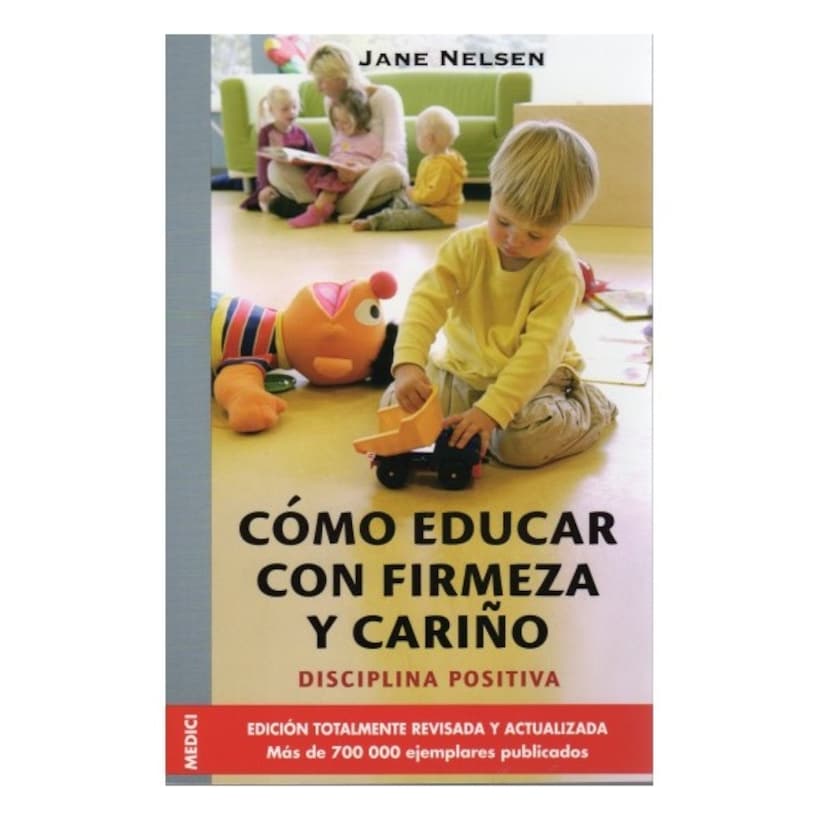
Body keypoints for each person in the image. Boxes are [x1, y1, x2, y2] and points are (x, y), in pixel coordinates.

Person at [385, 120, 618, 468]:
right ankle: (480, 419)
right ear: (493, 192)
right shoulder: (465, 247)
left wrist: (492, 411)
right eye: (503, 221)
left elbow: (539, 352)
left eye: (535, 235)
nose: (514, 240)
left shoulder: (561, 273)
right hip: (463, 370)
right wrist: (408, 364)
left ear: (563, 226)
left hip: (537, 380)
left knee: (521, 446)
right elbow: (426, 302)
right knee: (397, 407)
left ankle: (590, 408)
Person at [267, 42, 408, 222]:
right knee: (276, 168)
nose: (319, 88)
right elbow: (339, 147)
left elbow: (394, 154)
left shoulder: (385, 97)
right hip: (341, 183)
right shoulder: (330, 102)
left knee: (393, 172)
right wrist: (326, 165)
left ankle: (320, 208)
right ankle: (336, 208)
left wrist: (361, 172)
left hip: (369, 176)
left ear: (341, 75)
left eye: (322, 80)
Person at [352, 105, 467, 232]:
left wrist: (414, 194)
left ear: (429, 139)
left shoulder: (444, 166)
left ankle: (375, 222)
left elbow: (433, 196)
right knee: (400, 196)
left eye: (419, 135)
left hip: (439, 215)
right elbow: (424, 188)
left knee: (406, 218)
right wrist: (413, 192)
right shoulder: (429, 160)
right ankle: (388, 213)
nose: (417, 138)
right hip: (426, 206)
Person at [289, 89, 382, 228]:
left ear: (361, 117)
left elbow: (377, 165)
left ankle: (317, 212)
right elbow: (335, 155)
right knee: (319, 172)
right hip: (336, 171)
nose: (341, 126)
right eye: (337, 121)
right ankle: (323, 206)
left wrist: (360, 169)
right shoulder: (340, 136)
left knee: (332, 181)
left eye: (346, 122)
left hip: (353, 177)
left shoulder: (372, 140)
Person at [239, 84, 317, 214]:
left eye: (294, 107)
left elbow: (314, 157)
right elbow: (262, 162)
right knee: (274, 169)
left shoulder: (301, 133)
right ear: (271, 110)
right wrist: (264, 186)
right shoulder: (266, 133)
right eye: (285, 109)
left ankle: (308, 205)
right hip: (276, 182)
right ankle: (301, 206)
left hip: (298, 180)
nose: (291, 112)